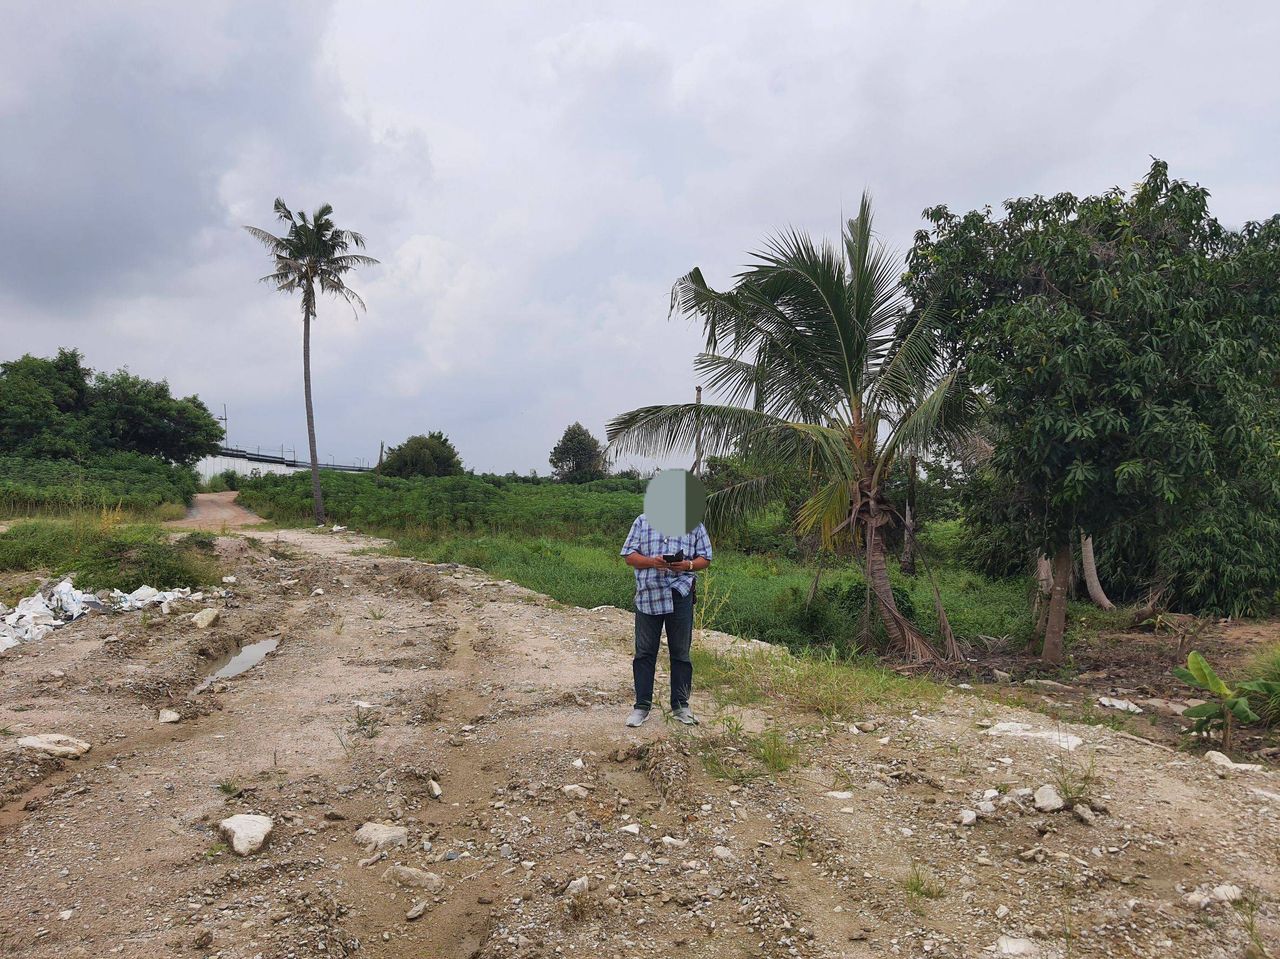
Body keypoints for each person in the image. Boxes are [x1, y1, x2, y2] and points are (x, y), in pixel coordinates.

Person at [619, 513, 712, 727]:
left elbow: (705, 558)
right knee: (644, 652)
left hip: (680, 594)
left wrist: (687, 565)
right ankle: (642, 706)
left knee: (680, 653)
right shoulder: (642, 521)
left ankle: (681, 706)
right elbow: (629, 556)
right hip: (649, 594)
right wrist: (652, 562)